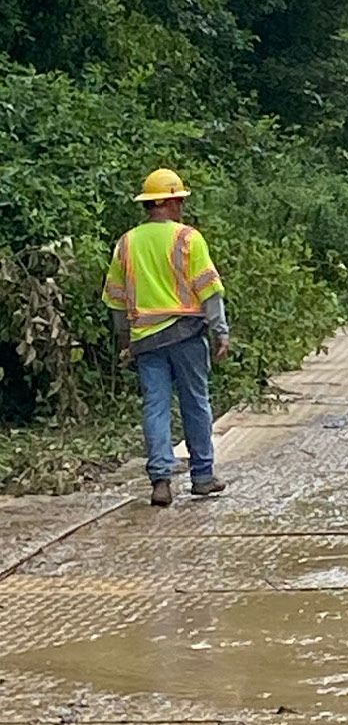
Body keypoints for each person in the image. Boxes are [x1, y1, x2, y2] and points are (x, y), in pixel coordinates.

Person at [103, 169, 229, 507]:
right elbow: (209, 290)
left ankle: (161, 479)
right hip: (187, 335)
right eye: (181, 200)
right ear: (172, 201)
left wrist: (125, 342)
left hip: (145, 340)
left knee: (156, 406)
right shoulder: (188, 239)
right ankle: (202, 477)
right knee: (195, 403)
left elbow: (116, 300)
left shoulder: (126, 242)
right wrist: (221, 331)